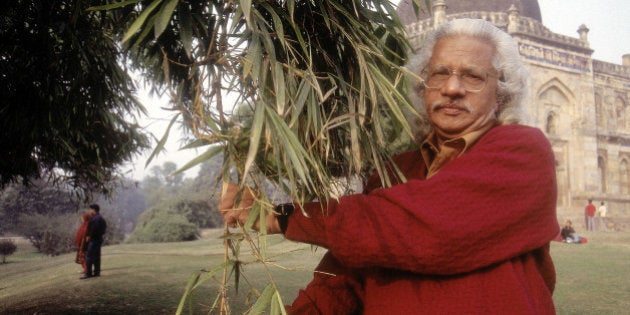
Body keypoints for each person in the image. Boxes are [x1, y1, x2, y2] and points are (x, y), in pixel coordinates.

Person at [219, 18, 559, 314]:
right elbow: (346, 276)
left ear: (501, 93)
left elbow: (422, 227)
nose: (452, 88)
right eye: (440, 73)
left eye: (473, 77)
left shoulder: (523, 151)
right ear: (422, 86)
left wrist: (282, 216)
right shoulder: (393, 172)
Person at [81, 204, 107, 279]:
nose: (89, 211)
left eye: (90, 209)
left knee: (89, 256)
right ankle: (96, 272)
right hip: (98, 238)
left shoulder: (96, 218)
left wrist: (89, 236)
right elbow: (104, 228)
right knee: (96, 256)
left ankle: (88, 273)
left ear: (94, 210)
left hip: (94, 239)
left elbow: (94, 229)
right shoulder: (100, 218)